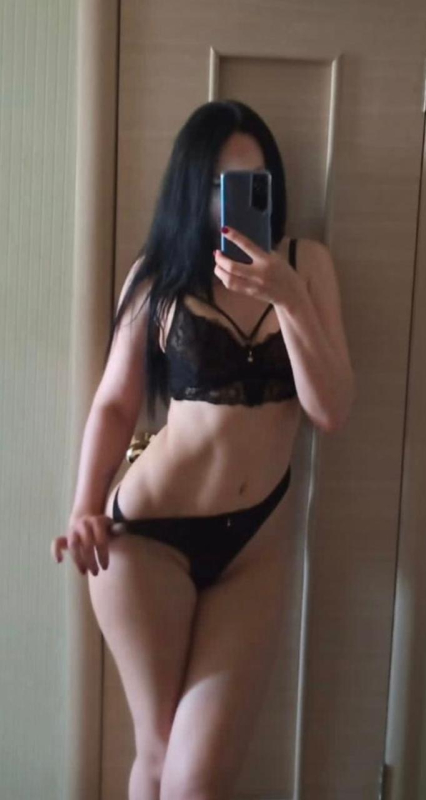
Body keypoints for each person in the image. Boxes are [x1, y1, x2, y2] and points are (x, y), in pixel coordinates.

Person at [51, 100, 355, 800]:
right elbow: (115, 404)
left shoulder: (308, 266)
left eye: (253, 181)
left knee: (196, 781)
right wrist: (84, 505)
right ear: (194, 186)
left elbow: (331, 410)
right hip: (146, 541)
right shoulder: (158, 274)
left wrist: (290, 298)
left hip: (255, 550)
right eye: (220, 183)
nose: (233, 200)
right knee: (159, 759)